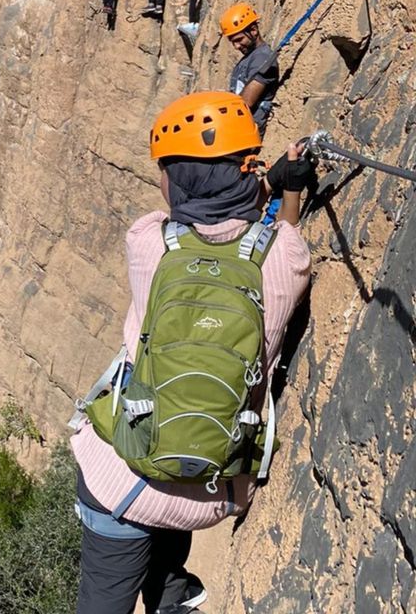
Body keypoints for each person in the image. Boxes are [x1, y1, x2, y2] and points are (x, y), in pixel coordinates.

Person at [69, 90, 313, 614]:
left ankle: (169, 587)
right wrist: (284, 185)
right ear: (246, 169)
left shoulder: (147, 243)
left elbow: (182, 218)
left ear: (177, 180)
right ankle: (171, 590)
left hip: (123, 483)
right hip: (211, 489)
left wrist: (262, 181)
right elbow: (280, 232)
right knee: (169, 520)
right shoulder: (286, 259)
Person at [221, 3, 280, 135]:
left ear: (253, 30)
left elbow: (246, 102)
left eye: (239, 39)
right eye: (232, 42)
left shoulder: (263, 57)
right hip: (240, 129)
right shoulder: (249, 57)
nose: (236, 46)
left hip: (249, 133)